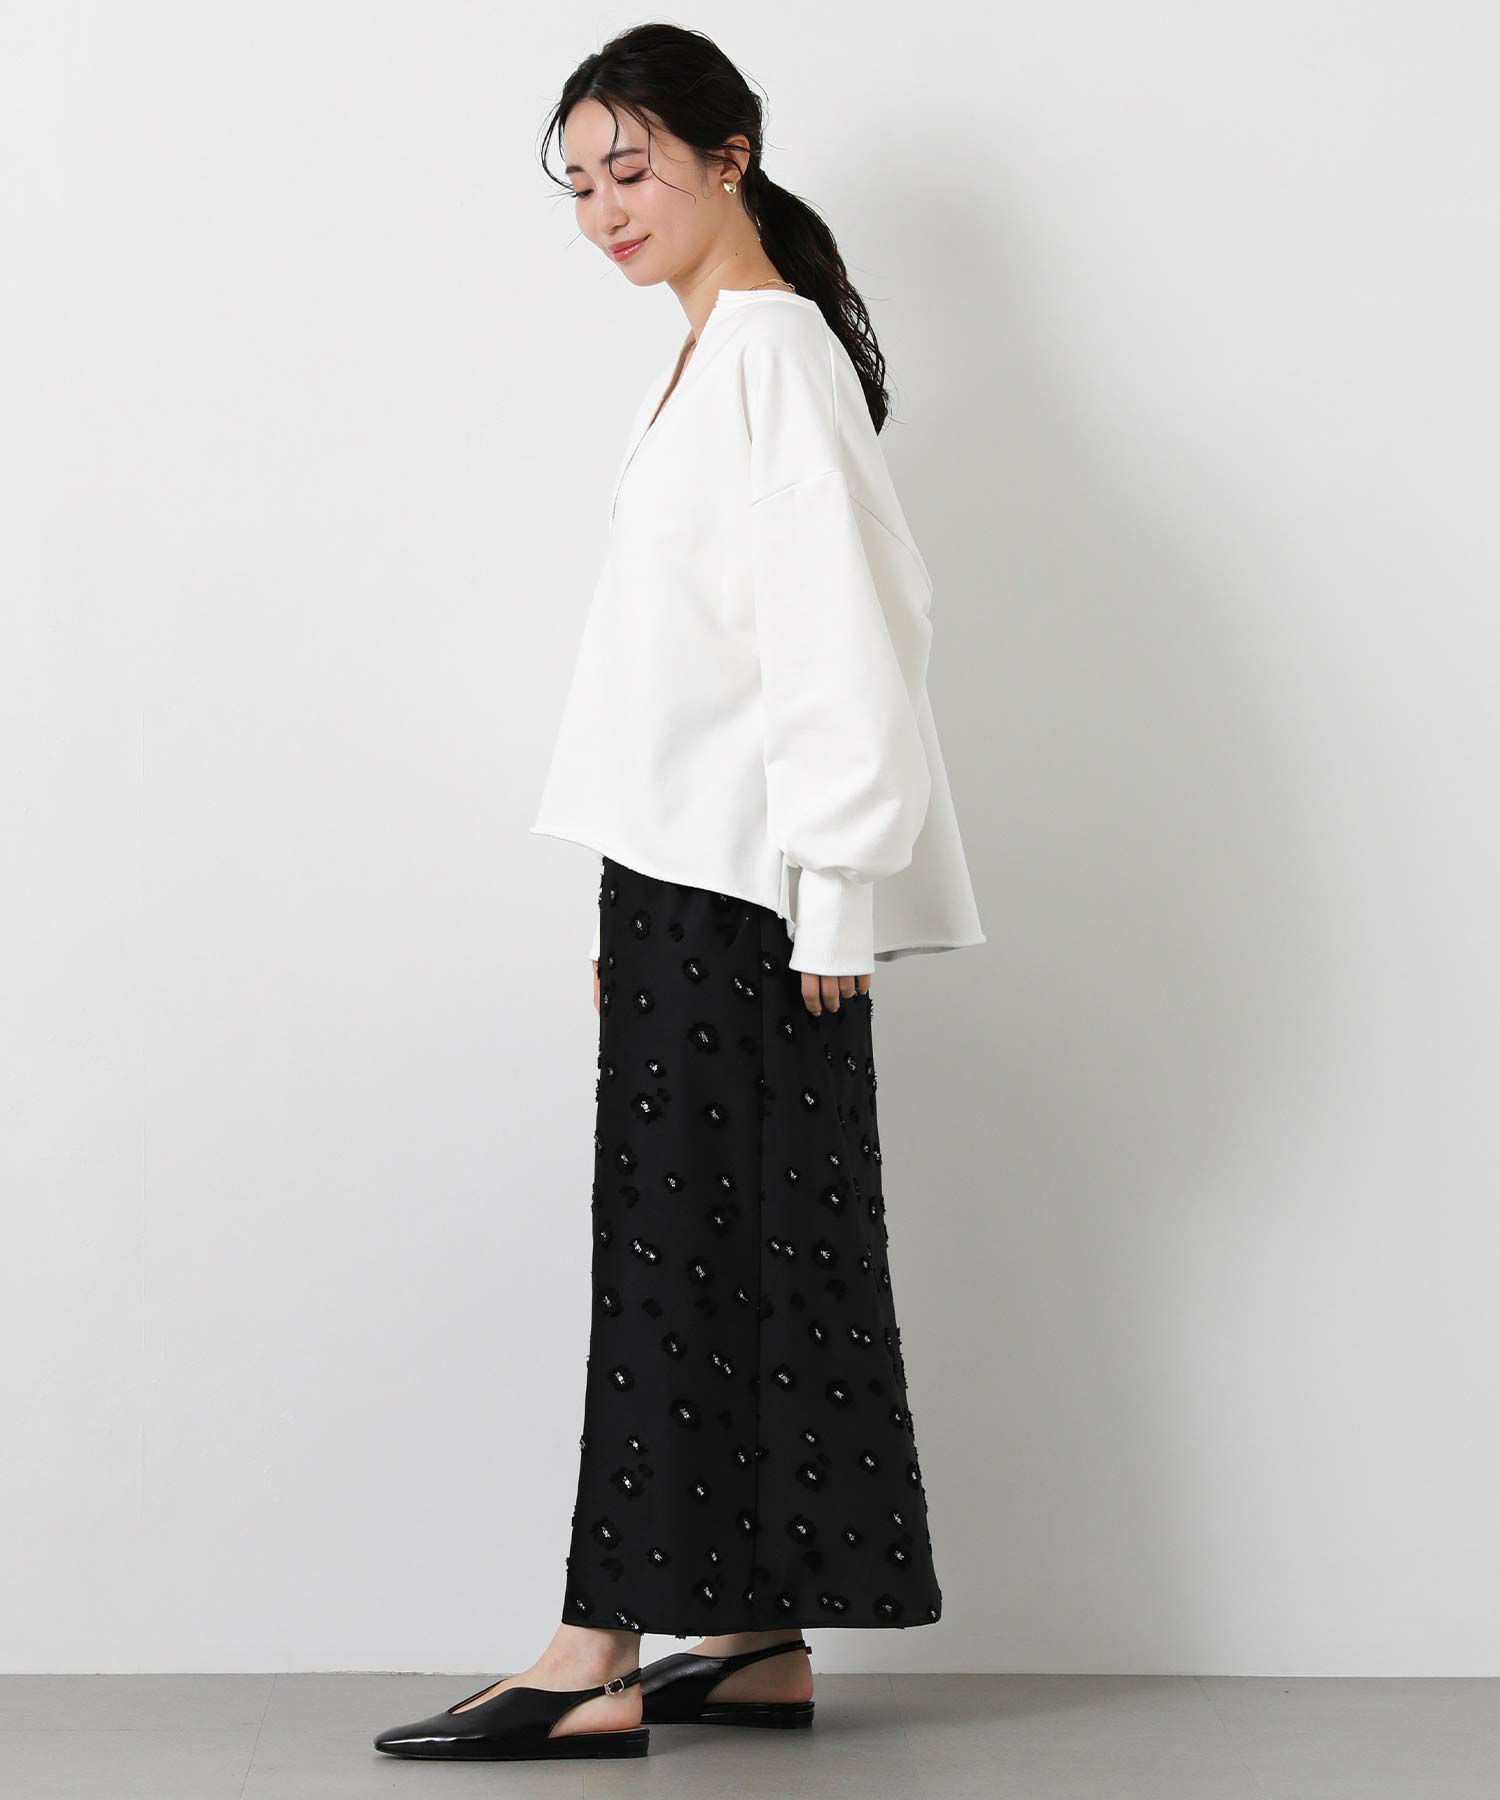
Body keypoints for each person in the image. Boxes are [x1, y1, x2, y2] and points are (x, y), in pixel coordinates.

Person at [375, 20, 984, 1765]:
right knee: (734, 1246)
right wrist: (637, 895)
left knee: (676, 1262)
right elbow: (697, 669)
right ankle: (755, 1630)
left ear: (731, 154)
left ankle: (595, 1657)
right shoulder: (718, 352)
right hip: (697, 880)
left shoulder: (769, 351)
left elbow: (844, 637)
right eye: (578, 184)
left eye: (630, 168)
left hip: (762, 899)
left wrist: (835, 893)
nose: (603, 211)